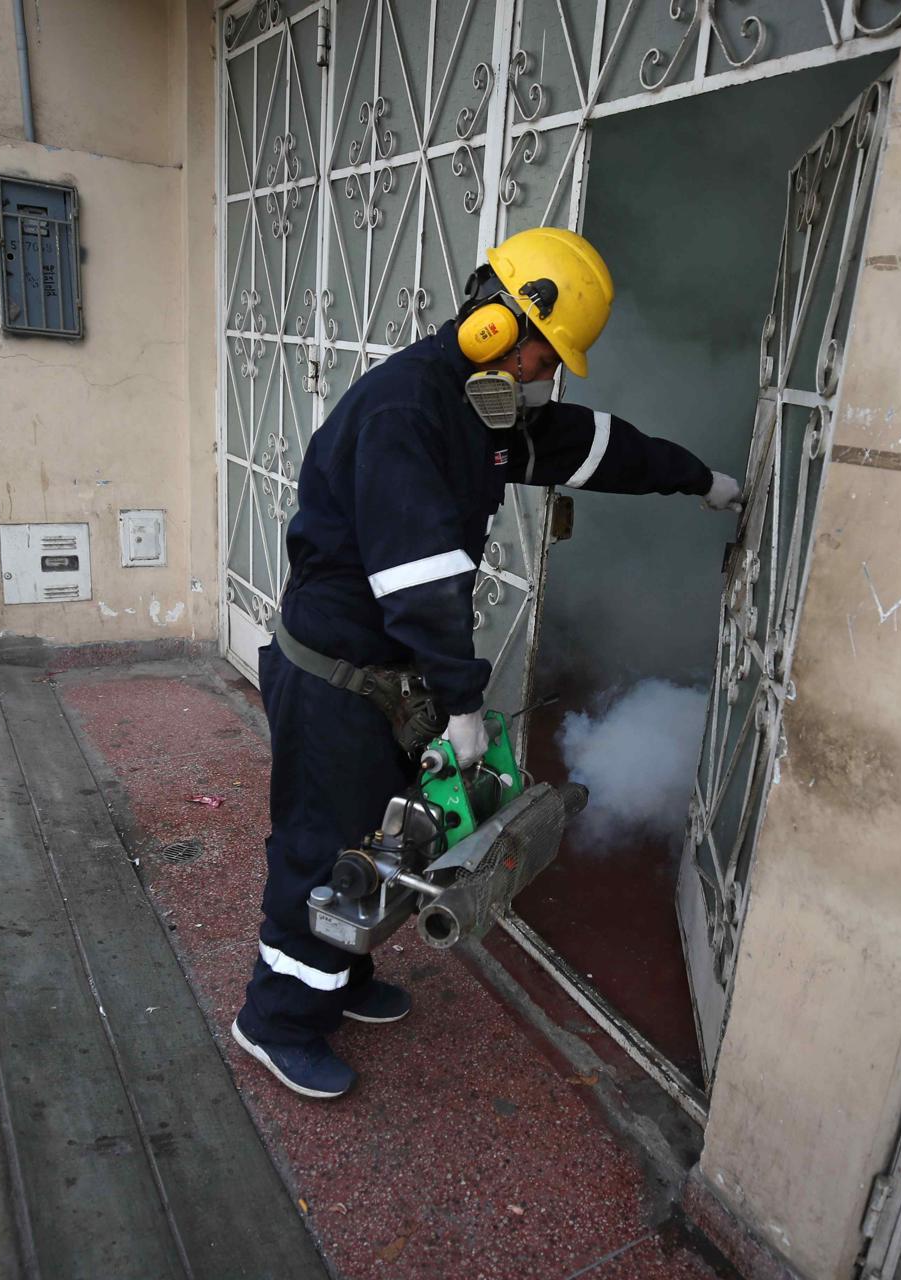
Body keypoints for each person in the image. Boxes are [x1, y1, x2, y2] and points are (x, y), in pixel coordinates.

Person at [232, 227, 744, 1099]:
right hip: (335, 683)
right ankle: (275, 1020)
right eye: (550, 355)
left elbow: (593, 446)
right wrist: (463, 704)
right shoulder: (406, 413)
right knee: (321, 848)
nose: (552, 376)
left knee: (373, 840)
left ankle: (341, 976)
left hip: (386, 684)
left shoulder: (483, 409)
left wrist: (700, 480)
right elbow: (421, 581)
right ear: (498, 329)